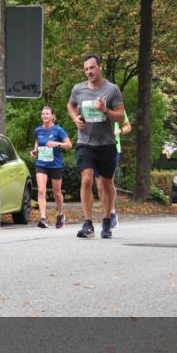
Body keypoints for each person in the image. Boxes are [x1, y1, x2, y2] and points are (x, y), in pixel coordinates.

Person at [66, 54, 125, 239]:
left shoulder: (112, 90)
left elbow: (121, 116)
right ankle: (87, 224)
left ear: (100, 67)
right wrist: (75, 118)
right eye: (86, 69)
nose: (89, 72)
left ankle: (107, 221)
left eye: (92, 68)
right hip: (85, 143)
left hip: (106, 144)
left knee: (106, 184)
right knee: (86, 180)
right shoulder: (78, 89)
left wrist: (105, 110)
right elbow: (70, 105)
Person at [30, 106, 72, 229]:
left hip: (55, 165)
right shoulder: (38, 130)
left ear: (52, 116)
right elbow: (38, 141)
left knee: (57, 192)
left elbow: (69, 145)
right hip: (41, 164)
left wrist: (56, 144)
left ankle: (60, 214)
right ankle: (43, 218)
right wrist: (35, 150)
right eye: (43, 114)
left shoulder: (58, 130)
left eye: (47, 114)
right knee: (41, 190)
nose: (45, 116)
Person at [111, 118, 132, 229]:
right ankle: (107, 212)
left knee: (109, 181)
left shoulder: (117, 109)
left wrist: (118, 131)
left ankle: (112, 214)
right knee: (100, 185)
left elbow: (128, 126)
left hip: (114, 148)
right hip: (97, 147)